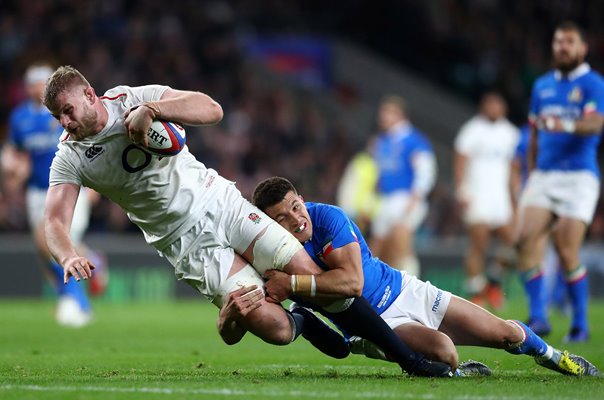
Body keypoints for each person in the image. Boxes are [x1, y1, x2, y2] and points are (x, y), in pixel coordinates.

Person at [42, 65, 451, 377]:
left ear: (90, 95)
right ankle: (302, 322)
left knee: (309, 275)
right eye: (58, 117)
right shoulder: (70, 156)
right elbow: (55, 221)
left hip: (221, 203)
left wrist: (153, 109)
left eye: (67, 110)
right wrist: (65, 256)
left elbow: (212, 109)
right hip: (186, 244)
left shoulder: (133, 97)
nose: (65, 122)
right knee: (270, 326)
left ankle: (406, 358)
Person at [251, 176, 600, 377]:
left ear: (302, 199)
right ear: (269, 224)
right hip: (382, 323)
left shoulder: (327, 217)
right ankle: (452, 370)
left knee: (506, 333)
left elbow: (352, 284)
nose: (296, 219)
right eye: (281, 218)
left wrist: (293, 285)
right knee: (445, 353)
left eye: (295, 207)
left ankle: (556, 357)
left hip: (405, 289)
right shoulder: (274, 253)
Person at [515, 21, 604, 342]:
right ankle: (539, 317)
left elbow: (595, 125)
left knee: (567, 249)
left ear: (582, 48)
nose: (561, 47)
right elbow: (535, 133)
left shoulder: (593, 83)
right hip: (544, 175)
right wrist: (531, 173)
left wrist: (563, 122)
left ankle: (580, 323)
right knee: (524, 242)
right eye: (557, 42)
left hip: (579, 176)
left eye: (568, 42)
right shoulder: (542, 86)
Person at [1, 62, 106, 328]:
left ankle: (74, 304)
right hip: (37, 190)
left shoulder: (63, 112)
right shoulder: (19, 118)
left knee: (53, 242)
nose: (37, 88)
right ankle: (92, 263)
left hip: (70, 187)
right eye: (32, 83)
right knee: (43, 251)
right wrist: (12, 170)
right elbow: (15, 153)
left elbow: (88, 142)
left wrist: (93, 185)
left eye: (41, 83)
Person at [454, 92, 520, 309]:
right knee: (478, 242)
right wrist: (462, 191)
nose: (494, 108)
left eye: (498, 104)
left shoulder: (510, 133)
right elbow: (461, 161)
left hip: (500, 197)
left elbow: (514, 168)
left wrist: (516, 197)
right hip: (478, 194)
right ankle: (476, 292)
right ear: (483, 106)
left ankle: (494, 280)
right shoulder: (472, 130)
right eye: (490, 104)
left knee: (513, 241)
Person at [369, 95, 437, 277]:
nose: (382, 117)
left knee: (401, 237)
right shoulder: (382, 142)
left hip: (406, 196)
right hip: (387, 199)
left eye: (387, 113)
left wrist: (417, 195)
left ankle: (412, 285)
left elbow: (426, 169)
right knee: (378, 247)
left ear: (399, 115)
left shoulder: (414, 140)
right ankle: (383, 287)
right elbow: (381, 175)